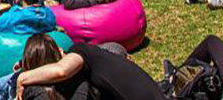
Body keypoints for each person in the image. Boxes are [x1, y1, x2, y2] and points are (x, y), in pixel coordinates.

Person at [12, 33, 166, 100]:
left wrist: (23, 77)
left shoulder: (79, 51)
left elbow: (61, 71)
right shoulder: (95, 60)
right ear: (58, 50)